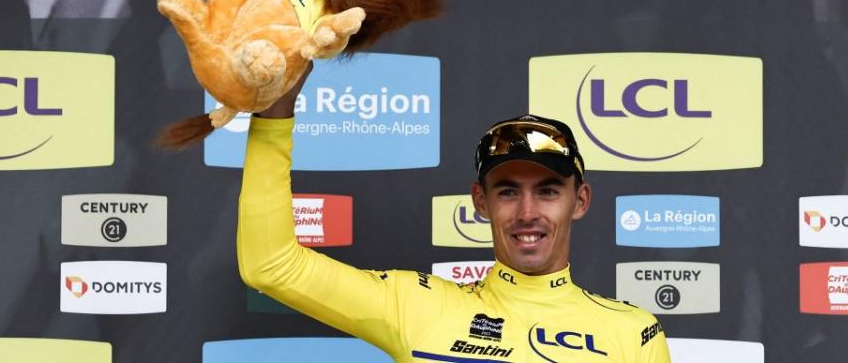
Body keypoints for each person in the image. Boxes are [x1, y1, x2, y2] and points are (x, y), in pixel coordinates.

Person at [238, 66, 671, 362]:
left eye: (548, 191)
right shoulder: (416, 306)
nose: (526, 212)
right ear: (480, 202)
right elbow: (271, 267)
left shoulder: (633, 333)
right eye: (507, 191)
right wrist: (274, 116)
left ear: (580, 201)